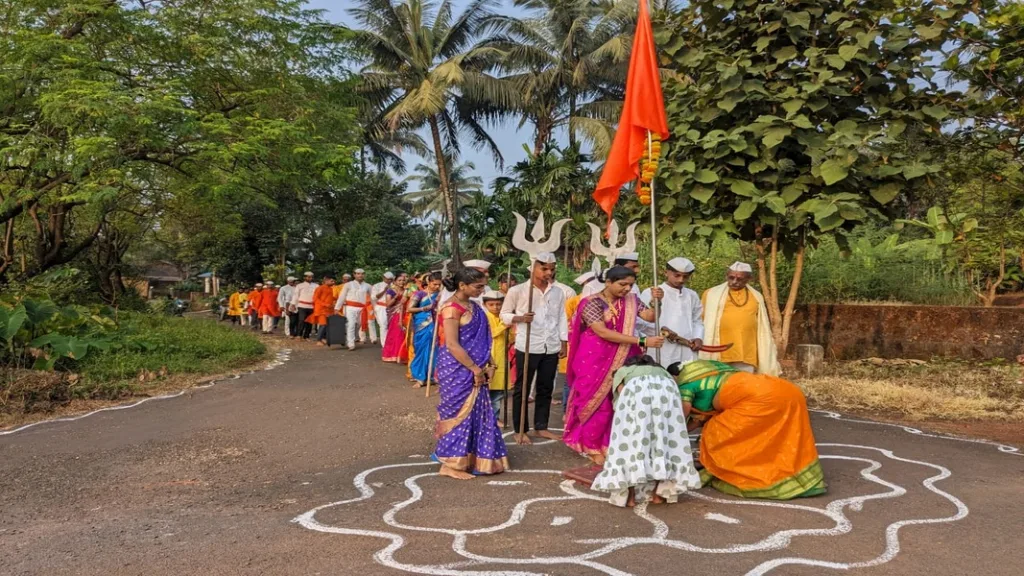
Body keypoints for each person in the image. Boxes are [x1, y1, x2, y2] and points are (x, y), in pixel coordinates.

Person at [670, 360, 826, 499]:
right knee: (774, 437)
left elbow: (681, 416)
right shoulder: (712, 369)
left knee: (716, 433)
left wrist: (668, 434)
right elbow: (698, 420)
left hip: (760, 399)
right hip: (786, 390)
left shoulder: (686, 385)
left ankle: (739, 473)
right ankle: (796, 477)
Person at [563, 265, 664, 464]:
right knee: (596, 402)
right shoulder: (591, 303)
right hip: (593, 359)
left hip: (624, 356)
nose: (627, 289)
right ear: (608, 282)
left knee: (618, 400)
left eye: (631, 285)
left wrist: (657, 301)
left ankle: (611, 443)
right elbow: (602, 331)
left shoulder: (632, 300)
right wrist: (642, 341)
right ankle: (591, 445)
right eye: (622, 284)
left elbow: (650, 316)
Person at [591, 355, 701, 507]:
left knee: (629, 444)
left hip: (636, 397)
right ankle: (658, 494)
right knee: (662, 444)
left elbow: (621, 398)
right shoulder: (662, 372)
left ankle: (629, 496)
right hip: (665, 397)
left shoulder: (622, 371)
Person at [433, 268, 509, 479]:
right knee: (459, 415)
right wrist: (475, 369)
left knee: (479, 413)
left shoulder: (475, 307)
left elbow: (484, 340)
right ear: (462, 286)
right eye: (478, 286)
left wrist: (490, 363)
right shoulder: (451, 308)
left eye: (483, 286)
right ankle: (450, 464)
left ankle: (472, 458)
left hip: (477, 366)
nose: (482, 290)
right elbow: (452, 344)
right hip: (457, 369)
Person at [499, 252, 567, 445]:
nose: (548, 272)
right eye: (544, 268)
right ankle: (520, 429)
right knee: (523, 388)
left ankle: (541, 427)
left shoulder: (558, 292)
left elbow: (561, 317)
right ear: (534, 267)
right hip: (528, 344)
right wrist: (519, 318)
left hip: (550, 345)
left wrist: (564, 341)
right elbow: (504, 314)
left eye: (552, 269)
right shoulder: (518, 291)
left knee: (545, 387)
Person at [700, 262, 779, 375]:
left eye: (740, 279)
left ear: (749, 279)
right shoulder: (711, 294)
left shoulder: (756, 296)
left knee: (743, 384)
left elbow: (763, 325)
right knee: (718, 384)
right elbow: (701, 320)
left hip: (746, 351)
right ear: (726, 275)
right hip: (718, 350)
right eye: (731, 277)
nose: (734, 282)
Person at [641, 257, 704, 369]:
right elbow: (643, 322)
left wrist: (698, 337)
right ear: (666, 272)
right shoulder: (652, 293)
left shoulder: (692, 295)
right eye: (677, 275)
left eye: (685, 276)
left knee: (687, 378)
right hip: (662, 346)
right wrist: (665, 332)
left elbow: (697, 320)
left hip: (687, 346)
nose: (681, 280)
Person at [560, 271, 596, 409]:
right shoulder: (573, 302)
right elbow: (566, 322)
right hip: (574, 342)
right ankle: (566, 409)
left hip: (592, 346)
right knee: (571, 378)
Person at [408, 272, 442, 387]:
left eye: (439, 284)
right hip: (422, 325)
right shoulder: (420, 294)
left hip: (436, 324)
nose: (437, 287)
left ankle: (433, 376)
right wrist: (424, 308)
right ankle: (420, 377)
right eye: (435, 284)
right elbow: (410, 309)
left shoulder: (441, 295)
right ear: (428, 282)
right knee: (421, 350)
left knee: (435, 350)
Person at [482, 290, 510, 426]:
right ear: (485, 304)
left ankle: (495, 417)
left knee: (498, 391)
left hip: (502, 358)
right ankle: (489, 418)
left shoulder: (503, 318)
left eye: (498, 304)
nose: (495, 307)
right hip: (490, 357)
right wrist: (505, 325)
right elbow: (491, 333)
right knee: (487, 390)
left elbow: (509, 338)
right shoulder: (484, 317)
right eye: (491, 304)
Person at [335, 268, 376, 350]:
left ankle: (348, 338)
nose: (360, 275)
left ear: (364, 275)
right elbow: (342, 296)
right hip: (350, 307)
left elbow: (372, 297)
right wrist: (337, 307)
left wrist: (375, 308)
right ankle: (351, 343)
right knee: (351, 324)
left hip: (361, 308)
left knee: (359, 324)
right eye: (358, 273)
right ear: (354, 275)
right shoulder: (348, 284)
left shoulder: (368, 286)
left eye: (362, 274)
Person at [381, 274, 410, 363]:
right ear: (395, 281)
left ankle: (401, 355)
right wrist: (396, 297)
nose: (402, 282)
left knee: (404, 334)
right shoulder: (391, 291)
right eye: (399, 280)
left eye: (403, 280)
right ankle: (392, 355)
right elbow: (388, 304)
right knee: (396, 334)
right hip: (395, 314)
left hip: (406, 313)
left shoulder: (407, 291)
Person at [308, 275, 337, 346]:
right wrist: (325, 304)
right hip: (321, 310)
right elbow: (315, 299)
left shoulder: (330, 289)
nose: (333, 282)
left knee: (327, 325)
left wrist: (335, 300)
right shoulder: (320, 288)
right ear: (326, 281)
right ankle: (318, 340)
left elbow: (330, 298)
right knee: (323, 324)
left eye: (333, 281)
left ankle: (323, 338)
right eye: (331, 281)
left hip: (329, 310)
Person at [291, 272, 318, 340]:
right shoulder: (299, 285)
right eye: (308, 277)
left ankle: (307, 336)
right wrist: (293, 304)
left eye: (311, 277)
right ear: (305, 277)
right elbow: (296, 295)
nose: (310, 278)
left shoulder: (316, 286)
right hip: (302, 305)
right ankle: (299, 335)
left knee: (310, 321)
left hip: (312, 306)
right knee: (301, 320)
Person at [373, 272, 395, 345]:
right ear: (383, 277)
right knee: (383, 325)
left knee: (392, 326)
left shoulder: (395, 285)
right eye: (387, 279)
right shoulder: (377, 285)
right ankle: (385, 344)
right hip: (381, 307)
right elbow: (374, 297)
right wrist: (385, 290)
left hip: (393, 307)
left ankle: (392, 342)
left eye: (391, 279)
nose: (389, 280)